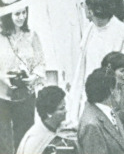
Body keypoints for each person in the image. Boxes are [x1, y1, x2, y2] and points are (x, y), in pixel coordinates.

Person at [0, 8, 46, 153]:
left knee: (25, 137)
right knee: (4, 140)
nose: (21, 17)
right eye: (17, 14)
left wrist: (34, 76)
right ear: (8, 15)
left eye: (24, 13)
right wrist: (2, 77)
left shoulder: (32, 36)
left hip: (26, 95)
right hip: (2, 96)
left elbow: (41, 62)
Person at [76, 68, 124, 154]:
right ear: (111, 90)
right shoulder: (91, 125)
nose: (122, 91)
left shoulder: (108, 110)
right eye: (119, 87)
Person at [16, 84, 75, 154]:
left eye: (64, 106)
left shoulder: (58, 126)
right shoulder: (34, 141)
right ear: (49, 113)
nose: (66, 111)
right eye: (61, 108)